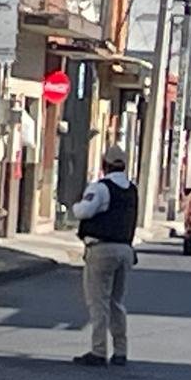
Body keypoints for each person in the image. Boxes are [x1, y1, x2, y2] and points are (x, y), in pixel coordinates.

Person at [70, 145, 138, 367]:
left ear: (104, 165)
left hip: (102, 249)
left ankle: (99, 351)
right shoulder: (132, 190)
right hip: (125, 250)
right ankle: (121, 351)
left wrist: (75, 206)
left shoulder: (100, 188)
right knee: (117, 302)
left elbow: (84, 211)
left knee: (98, 302)